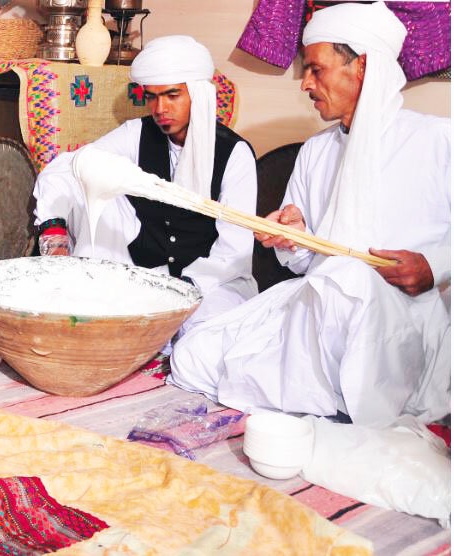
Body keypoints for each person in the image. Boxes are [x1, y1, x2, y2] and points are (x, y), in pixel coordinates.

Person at [170, 2, 450, 427]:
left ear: (363, 67)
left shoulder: (437, 139)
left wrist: (436, 267)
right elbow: (307, 262)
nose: (304, 83)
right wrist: (294, 238)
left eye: (316, 69)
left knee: (350, 277)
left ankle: (317, 394)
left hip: (404, 318)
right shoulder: (316, 151)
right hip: (318, 310)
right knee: (193, 353)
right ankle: (316, 395)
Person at [32, 35, 258, 333]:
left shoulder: (235, 154)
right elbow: (67, 169)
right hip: (145, 272)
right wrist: (54, 232)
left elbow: (233, 252)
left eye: (172, 95)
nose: (160, 108)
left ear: (199, 94)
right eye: (152, 96)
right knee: (89, 180)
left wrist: (179, 291)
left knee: (203, 337)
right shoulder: (136, 133)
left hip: (212, 283)